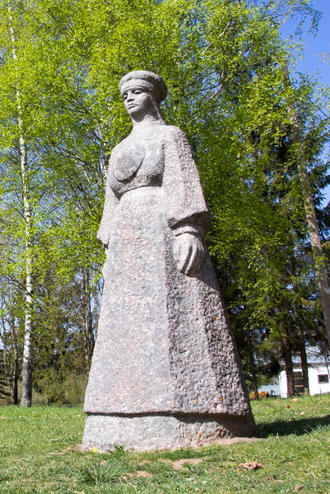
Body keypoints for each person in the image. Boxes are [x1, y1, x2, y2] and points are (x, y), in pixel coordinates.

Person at [82, 70, 254, 451]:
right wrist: (108, 248)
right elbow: (112, 205)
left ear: (154, 96)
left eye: (137, 91)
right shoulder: (117, 149)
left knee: (175, 318)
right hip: (127, 242)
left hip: (162, 231)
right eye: (124, 93)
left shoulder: (170, 136)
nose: (128, 98)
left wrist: (188, 230)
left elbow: (184, 183)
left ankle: (202, 415)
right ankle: (113, 414)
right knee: (126, 324)